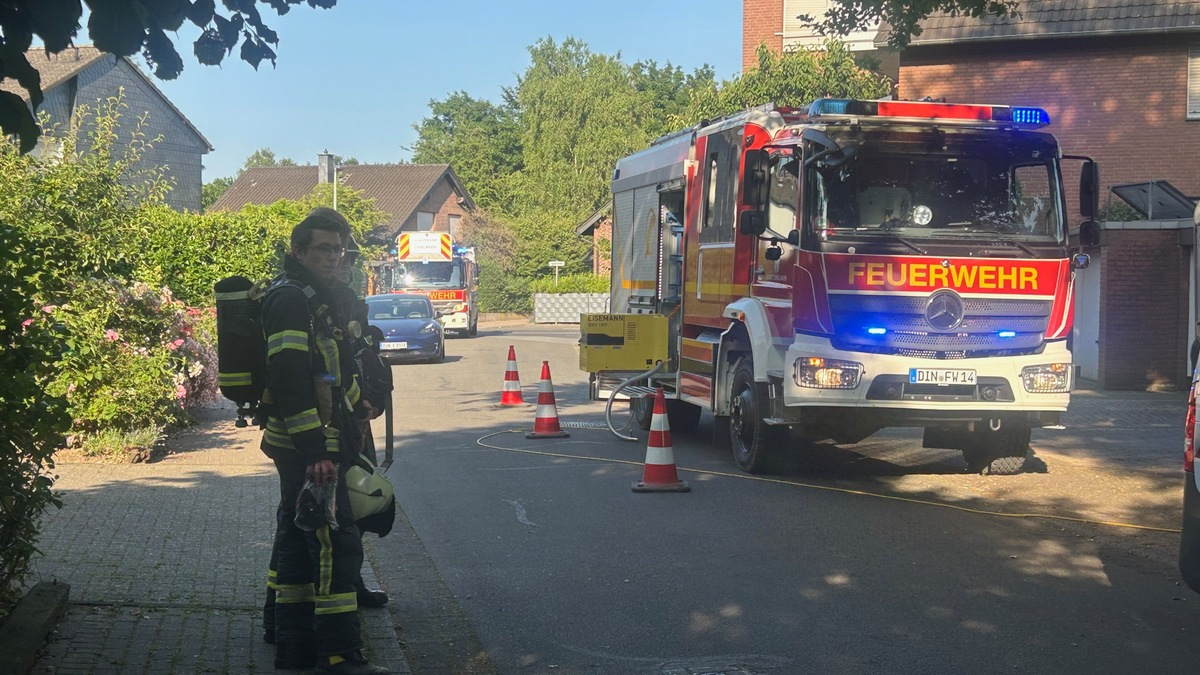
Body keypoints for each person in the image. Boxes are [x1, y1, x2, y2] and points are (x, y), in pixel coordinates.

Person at [259, 207, 389, 675]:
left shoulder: (315, 297)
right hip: (309, 447)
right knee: (337, 543)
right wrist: (316, 452)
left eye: (339, 249)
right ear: (298, 251)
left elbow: (332, 372)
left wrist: (360, 406)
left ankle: (292, 648)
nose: (334, 258)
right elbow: (291, 378)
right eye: (323, 249)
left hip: (314, 441)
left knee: (297, 539)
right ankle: (338, 656)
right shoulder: (291, 300)